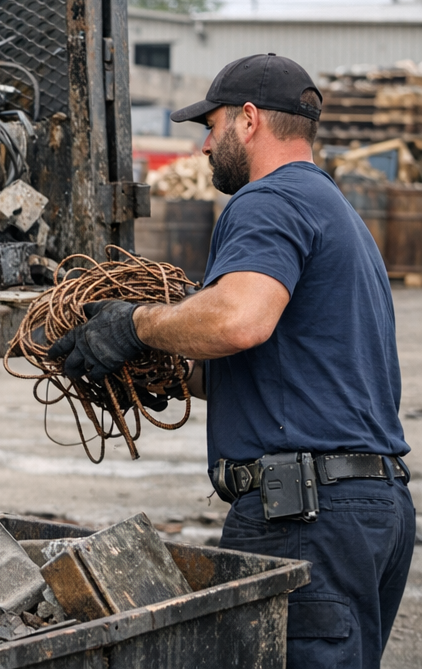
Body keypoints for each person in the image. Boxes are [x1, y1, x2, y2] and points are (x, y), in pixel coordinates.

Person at [52, 54, 412, 669]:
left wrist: (134, 325)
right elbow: (285, 365)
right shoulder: (334, 210)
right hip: (368, 511)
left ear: (248, 120)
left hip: (304, 518)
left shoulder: (268, 200)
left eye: (210, 127)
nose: (203, 147)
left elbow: (240, 319)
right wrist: (164, 369)